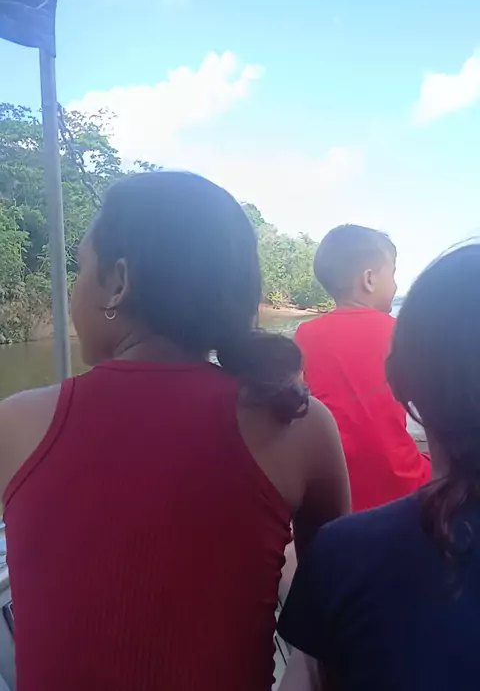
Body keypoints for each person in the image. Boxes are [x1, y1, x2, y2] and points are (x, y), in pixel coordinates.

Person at [0, 171, 350, 691]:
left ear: (118, 281)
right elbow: (335, 608)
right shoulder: (299, 424)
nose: (73, 291)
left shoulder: (17, 424)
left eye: (80, 268)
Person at [279, 244, 480, 690]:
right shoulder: (386, 328)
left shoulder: (341, 553)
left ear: (402, 380)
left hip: (355, 500)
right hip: (402, 479)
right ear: (369, 278)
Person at [295, 224, 430, 511]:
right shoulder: (400, 332)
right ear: (369, 279)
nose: (395, 285)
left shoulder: (305, 335)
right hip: (402, 485)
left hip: (334, 488)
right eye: (392, 274)